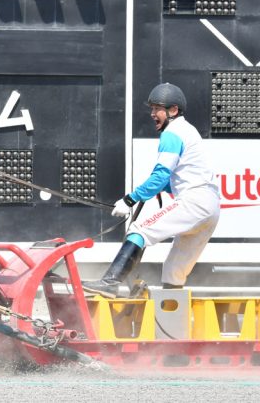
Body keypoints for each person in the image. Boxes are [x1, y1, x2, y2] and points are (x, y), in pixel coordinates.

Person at [83, 82, 220, 298]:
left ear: (173, 110)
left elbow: (161, 175)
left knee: (139, 230)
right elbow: (174, 177)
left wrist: (130, 199)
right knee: (174, 271)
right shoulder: (188, 130)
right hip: (211, 209)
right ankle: (174, 323)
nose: (152, 114)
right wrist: (160, 188)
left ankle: (110, 282)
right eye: (152, 109)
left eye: (157, 108)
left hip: (194, 202)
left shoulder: (172, 133)